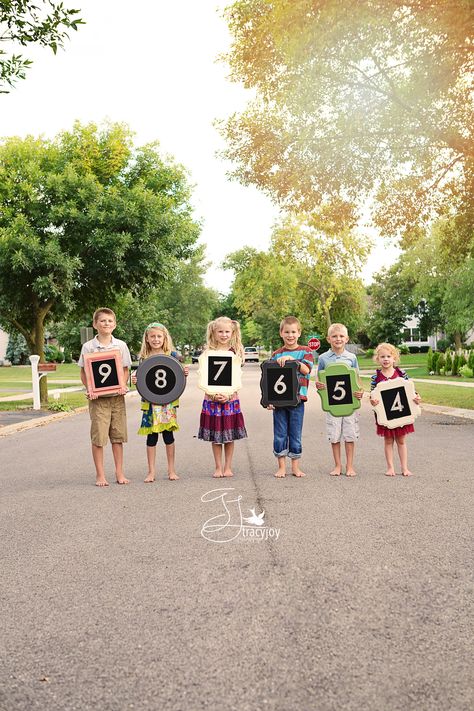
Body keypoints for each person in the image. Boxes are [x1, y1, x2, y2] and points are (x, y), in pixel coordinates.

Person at [78, 308, 131, 487]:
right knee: (99, 437)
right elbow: (84, 371)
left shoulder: (121, 345)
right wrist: (90, 388)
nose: (106, 324)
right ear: (95, 325)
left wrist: (123, 385)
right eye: (102, 321)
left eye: (109, 321)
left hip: (117, 397)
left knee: (117, 436)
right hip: (98, 399)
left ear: (114, 324)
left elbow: (125, 369)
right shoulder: (89, 347)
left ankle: (119, 472)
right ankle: (100, 474)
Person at [132, 322, 189, 483]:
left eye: (159, 336)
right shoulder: (143, 358)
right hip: (149, 403)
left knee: (168, 435)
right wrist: (134, 378)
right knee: (151, 437)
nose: (156, 339)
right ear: (147, 339)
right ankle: (151, 472)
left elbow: (177, 376)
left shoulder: (173, 356)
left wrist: (183, 372)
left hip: (167, 403)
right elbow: (140, 378)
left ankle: (171, 470)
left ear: (164, 338)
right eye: (152, 336)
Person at [198, 316, 247, 478]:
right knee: (216, 435)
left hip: (230, 398)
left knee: (229, 434)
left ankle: (228, 466)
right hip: (211, 398)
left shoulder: (236, 352)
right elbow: (204, 376)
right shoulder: (208, 353)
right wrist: (213, 394)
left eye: (227, 331)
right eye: (220, 331)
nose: (224, 335)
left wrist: (228, 394)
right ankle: (218, 466)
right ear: (214, 332)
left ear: (232, 332)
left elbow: (237, 376)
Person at [315, 323, 363, 477]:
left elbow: (357, 379)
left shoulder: (351, 357)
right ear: (328, 339)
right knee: (334, 435)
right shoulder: (323, 358)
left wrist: (360, 392)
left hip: (349, 403)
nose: (338, 339)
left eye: (341, 336)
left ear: (347, 338)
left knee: (350, 434)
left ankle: (350, 466)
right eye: (334, 336)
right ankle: (337, 465)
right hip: (332, 404)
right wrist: (319, 385)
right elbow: (319, 379)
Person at [269, 316, 313, 478]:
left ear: (299, 333)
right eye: (287, 332)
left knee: (295, 433)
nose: (290, 335)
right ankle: (281, 467)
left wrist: (292, 359)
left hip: (298, 400)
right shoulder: (276, 354)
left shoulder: (306, 351)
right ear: (281, 333)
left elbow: (307, 370)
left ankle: (295, 466)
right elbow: (269, 379)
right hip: (279, 401)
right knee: (280, 433)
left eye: (293, 332)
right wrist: (269, 400)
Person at [369, 342, 421, 477]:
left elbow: (411, 391)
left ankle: (404, 468)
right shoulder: (375, 378)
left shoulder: (402, 374)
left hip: (402, 413)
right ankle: (390, 467)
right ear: (377, 359)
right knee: (388, 440)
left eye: (388, 356)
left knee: (401, 440)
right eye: (382, 357)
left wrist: (416, 398)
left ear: (394, 358)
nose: (385, 359)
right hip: (385, 415)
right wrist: (373, 401)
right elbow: (372, 395)